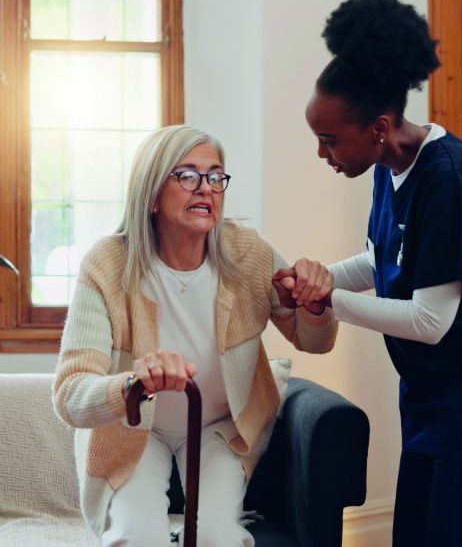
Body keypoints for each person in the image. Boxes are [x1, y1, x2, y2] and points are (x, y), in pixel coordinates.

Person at [274, 0, 462, 546]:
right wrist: (314, 279)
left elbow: (431, 320)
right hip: (438, 396)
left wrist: (327, 300)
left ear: (379, 127)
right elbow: (383, 261)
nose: (321, 154)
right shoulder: (388, 166)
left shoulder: (448, 179)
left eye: (329, 140)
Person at [53, 125, 337, 547]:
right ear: (151, 194)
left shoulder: (248, 255)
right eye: (186, 176)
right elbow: (70, 395)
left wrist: (314, 305)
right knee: (136, 538)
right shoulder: (107, 265)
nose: (205, 188)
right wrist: (133, 383)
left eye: (215, 176)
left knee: (218, 538)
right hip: (132, 431)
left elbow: (315, 341)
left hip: (219, 427)